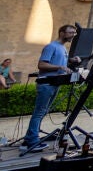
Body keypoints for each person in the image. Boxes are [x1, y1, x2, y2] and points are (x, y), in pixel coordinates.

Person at [21, 24, 81, 154]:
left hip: (55, 83)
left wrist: (71, 60)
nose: (73, 35)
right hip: (46, 84)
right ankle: (32, 141)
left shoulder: (62, 48)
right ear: (62, 33)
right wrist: (60, 67)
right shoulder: (51, 46)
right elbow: (42, 64)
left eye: (74, 33)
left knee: (43, 112)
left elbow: (59, 62)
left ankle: (29, 139)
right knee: (39, 112)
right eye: (71, 32)